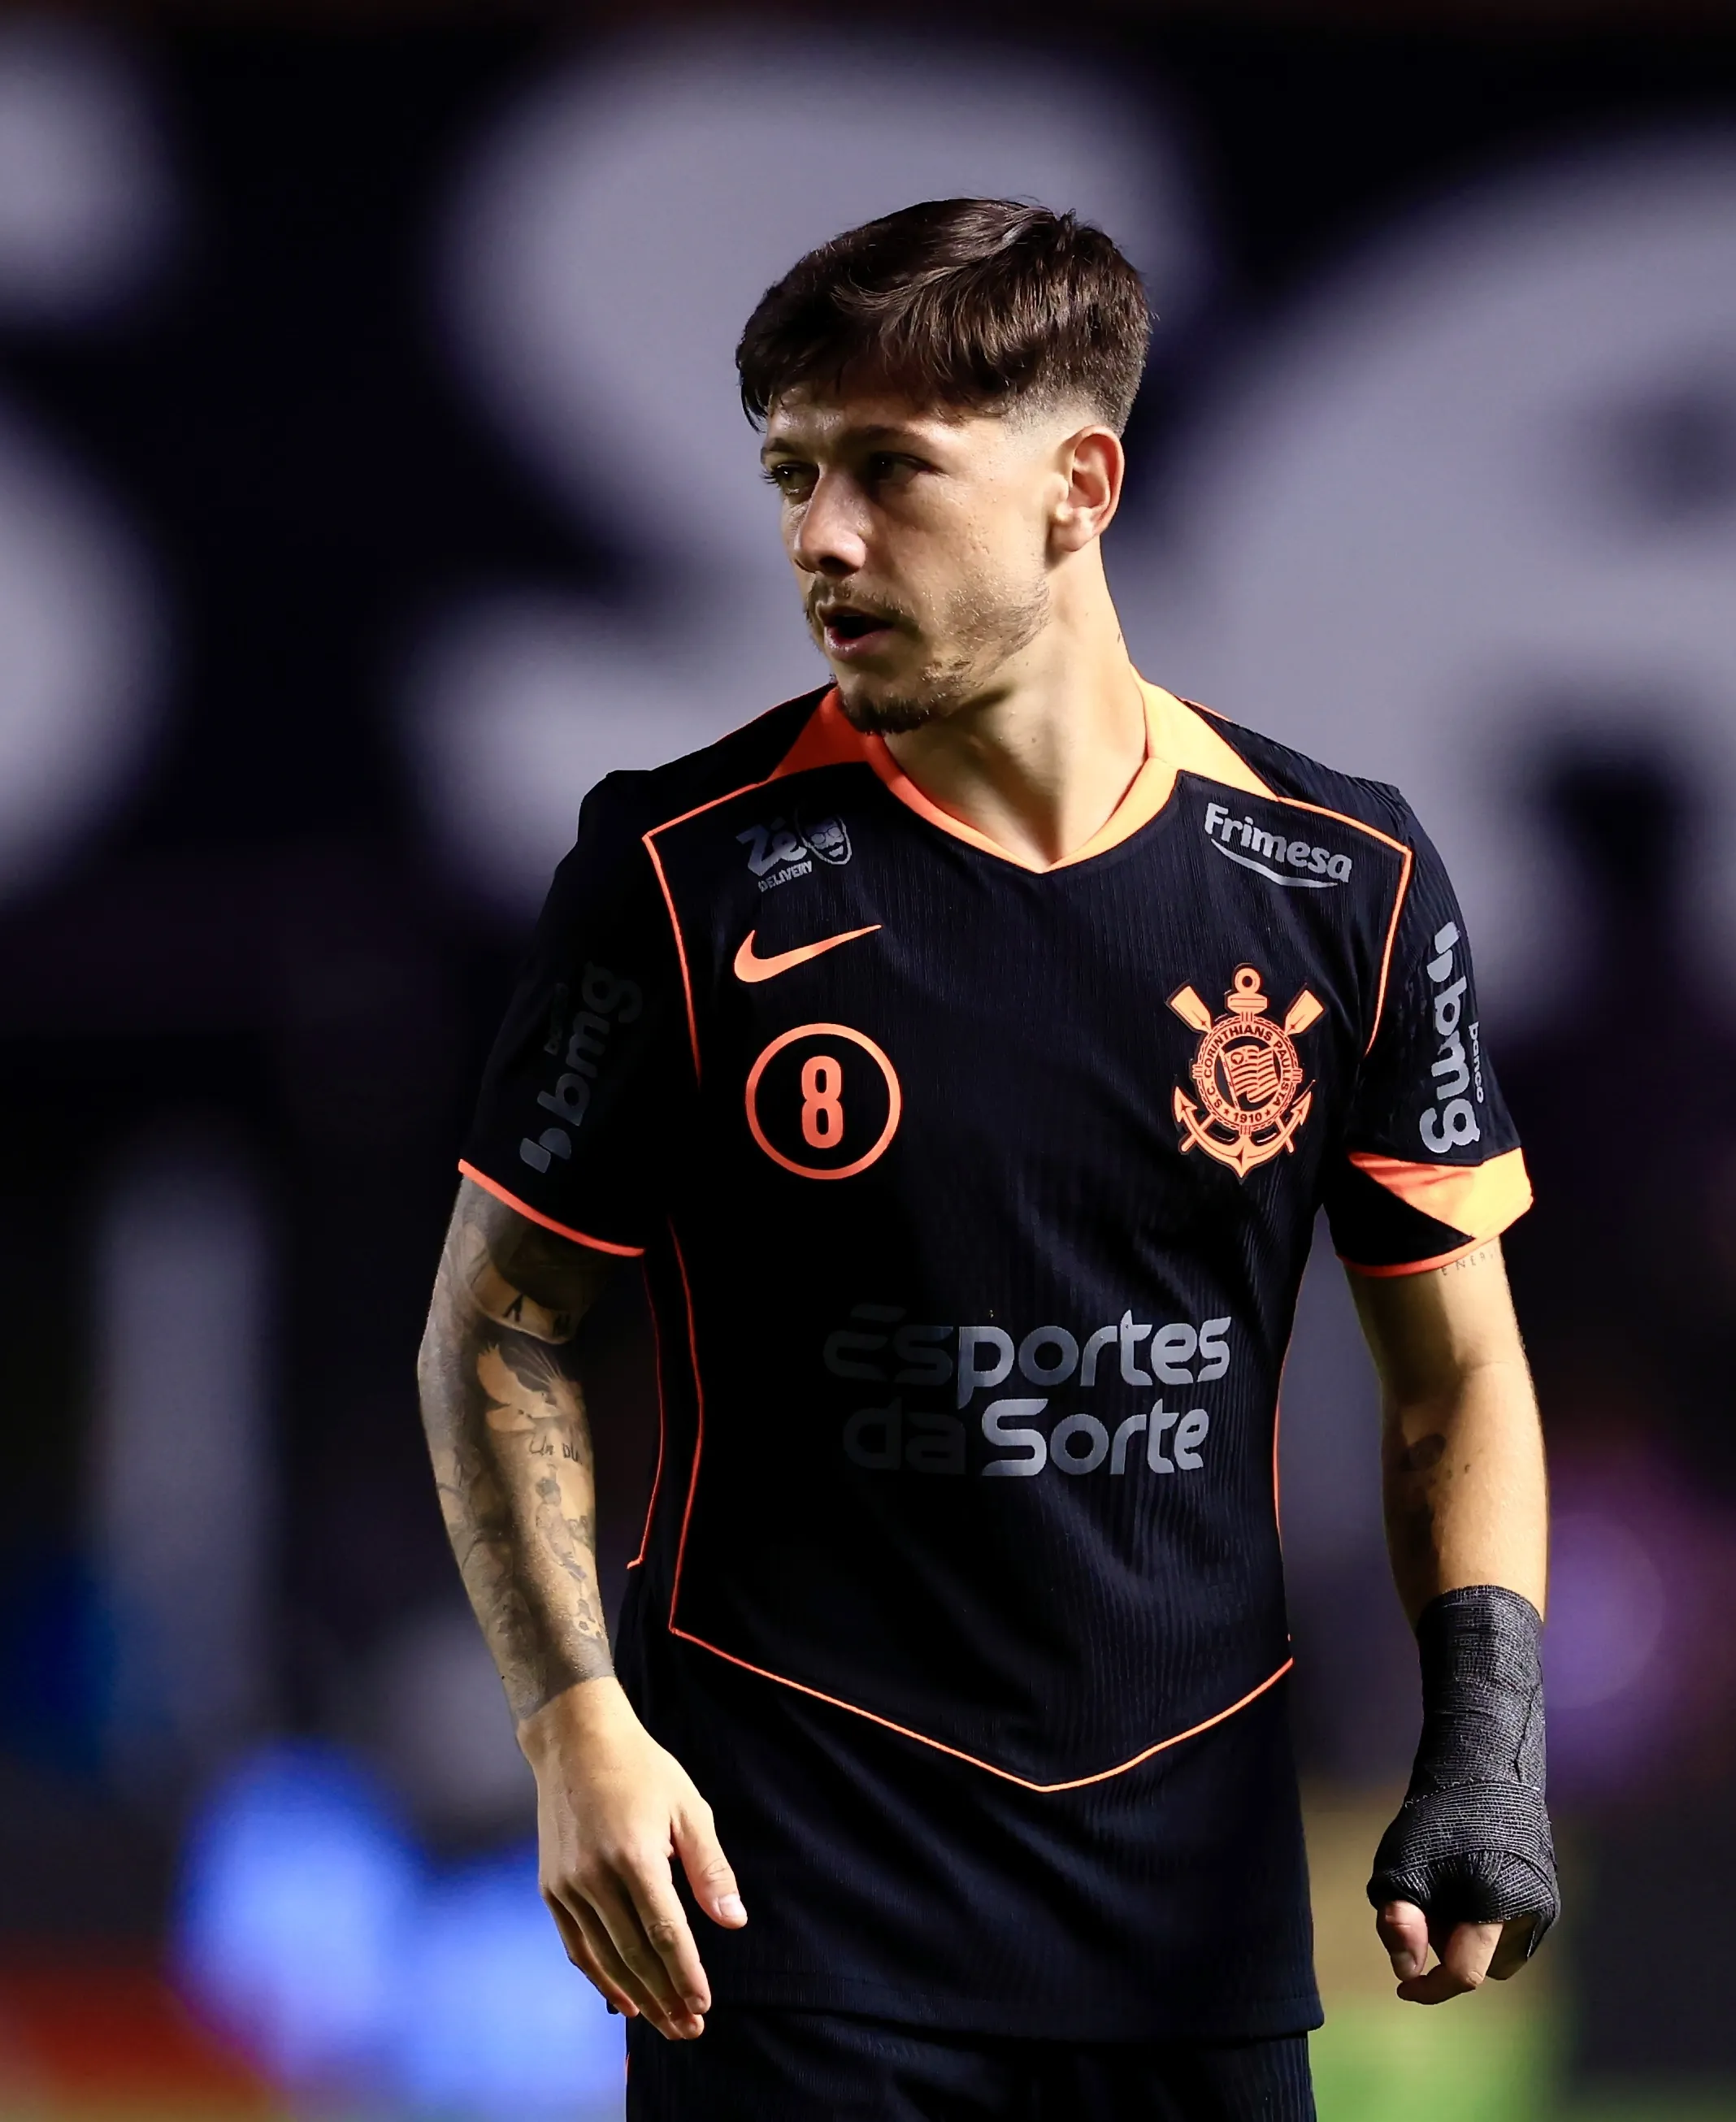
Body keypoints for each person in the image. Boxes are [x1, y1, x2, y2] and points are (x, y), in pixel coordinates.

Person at [416, 197, 1556, 2120]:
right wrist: (572, 1725)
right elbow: (493, 1329)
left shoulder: (1339, 884)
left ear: (1076, 487)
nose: (818, 537)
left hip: (1187, 1933)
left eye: (887, 469)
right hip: (790, 1915)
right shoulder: (676, 876)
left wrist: (1486, 1752)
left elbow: (1457, 1374)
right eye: (790, 476)